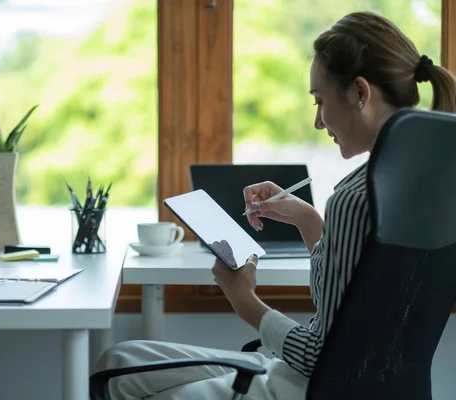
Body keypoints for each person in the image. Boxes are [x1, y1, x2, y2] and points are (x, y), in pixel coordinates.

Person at [94, 11, 456, 399]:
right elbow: (351, 307)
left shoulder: (356, 196)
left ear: (360, 93)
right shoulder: (432, 182)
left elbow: (322, 357)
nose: (319, 122)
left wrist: (244, 300)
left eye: (319, 101)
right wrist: (307, 219)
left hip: (305, 387)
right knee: (121, 363)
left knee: (115, 377)